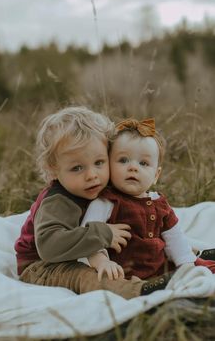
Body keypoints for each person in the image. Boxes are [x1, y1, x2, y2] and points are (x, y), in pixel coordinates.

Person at [15, 107, 171, 300]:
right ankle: (136, 290)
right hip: (43, 265)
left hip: (80, 251)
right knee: (83, 275)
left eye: (99, 162)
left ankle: (193, 256)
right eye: (77, 168)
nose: (92, 175)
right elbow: (49, 246)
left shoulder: (97, 188)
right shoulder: (58, 201)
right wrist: (103, 234)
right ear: (53, 169)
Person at [80, 118, 215, 285]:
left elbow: (174, 238)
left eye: (143, 163)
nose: (133, 167)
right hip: (124, 272)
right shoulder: (106, 202)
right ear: (108, 165)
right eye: (123, 160)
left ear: (156, 175)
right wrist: (102, 262)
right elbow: (88, 237)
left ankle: (199, 257)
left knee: (199, 269)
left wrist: (186, 265)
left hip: (161, 267)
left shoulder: (159, 203)